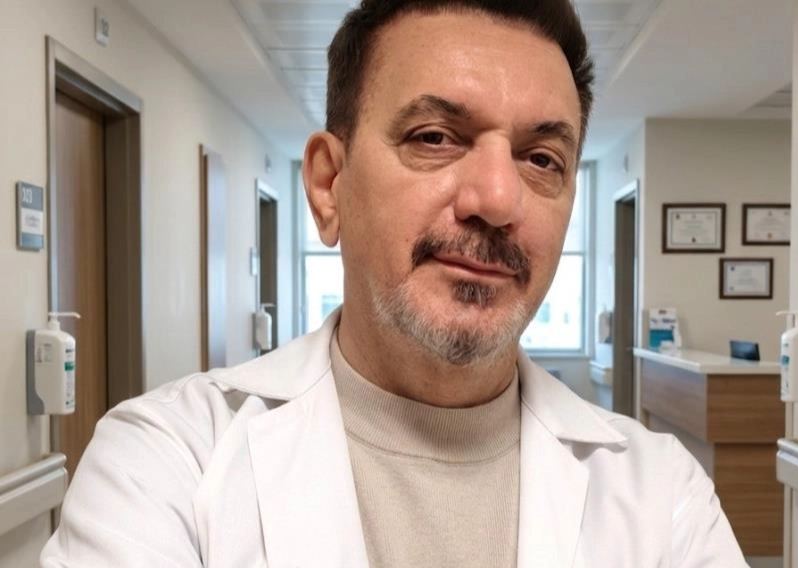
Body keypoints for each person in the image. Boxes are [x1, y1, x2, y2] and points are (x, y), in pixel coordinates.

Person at [42, 1, 748, 566]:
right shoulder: (165, 463)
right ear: (329, 186)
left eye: (541, 158)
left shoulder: (664, 497)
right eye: (435, 137)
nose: (498, 198)